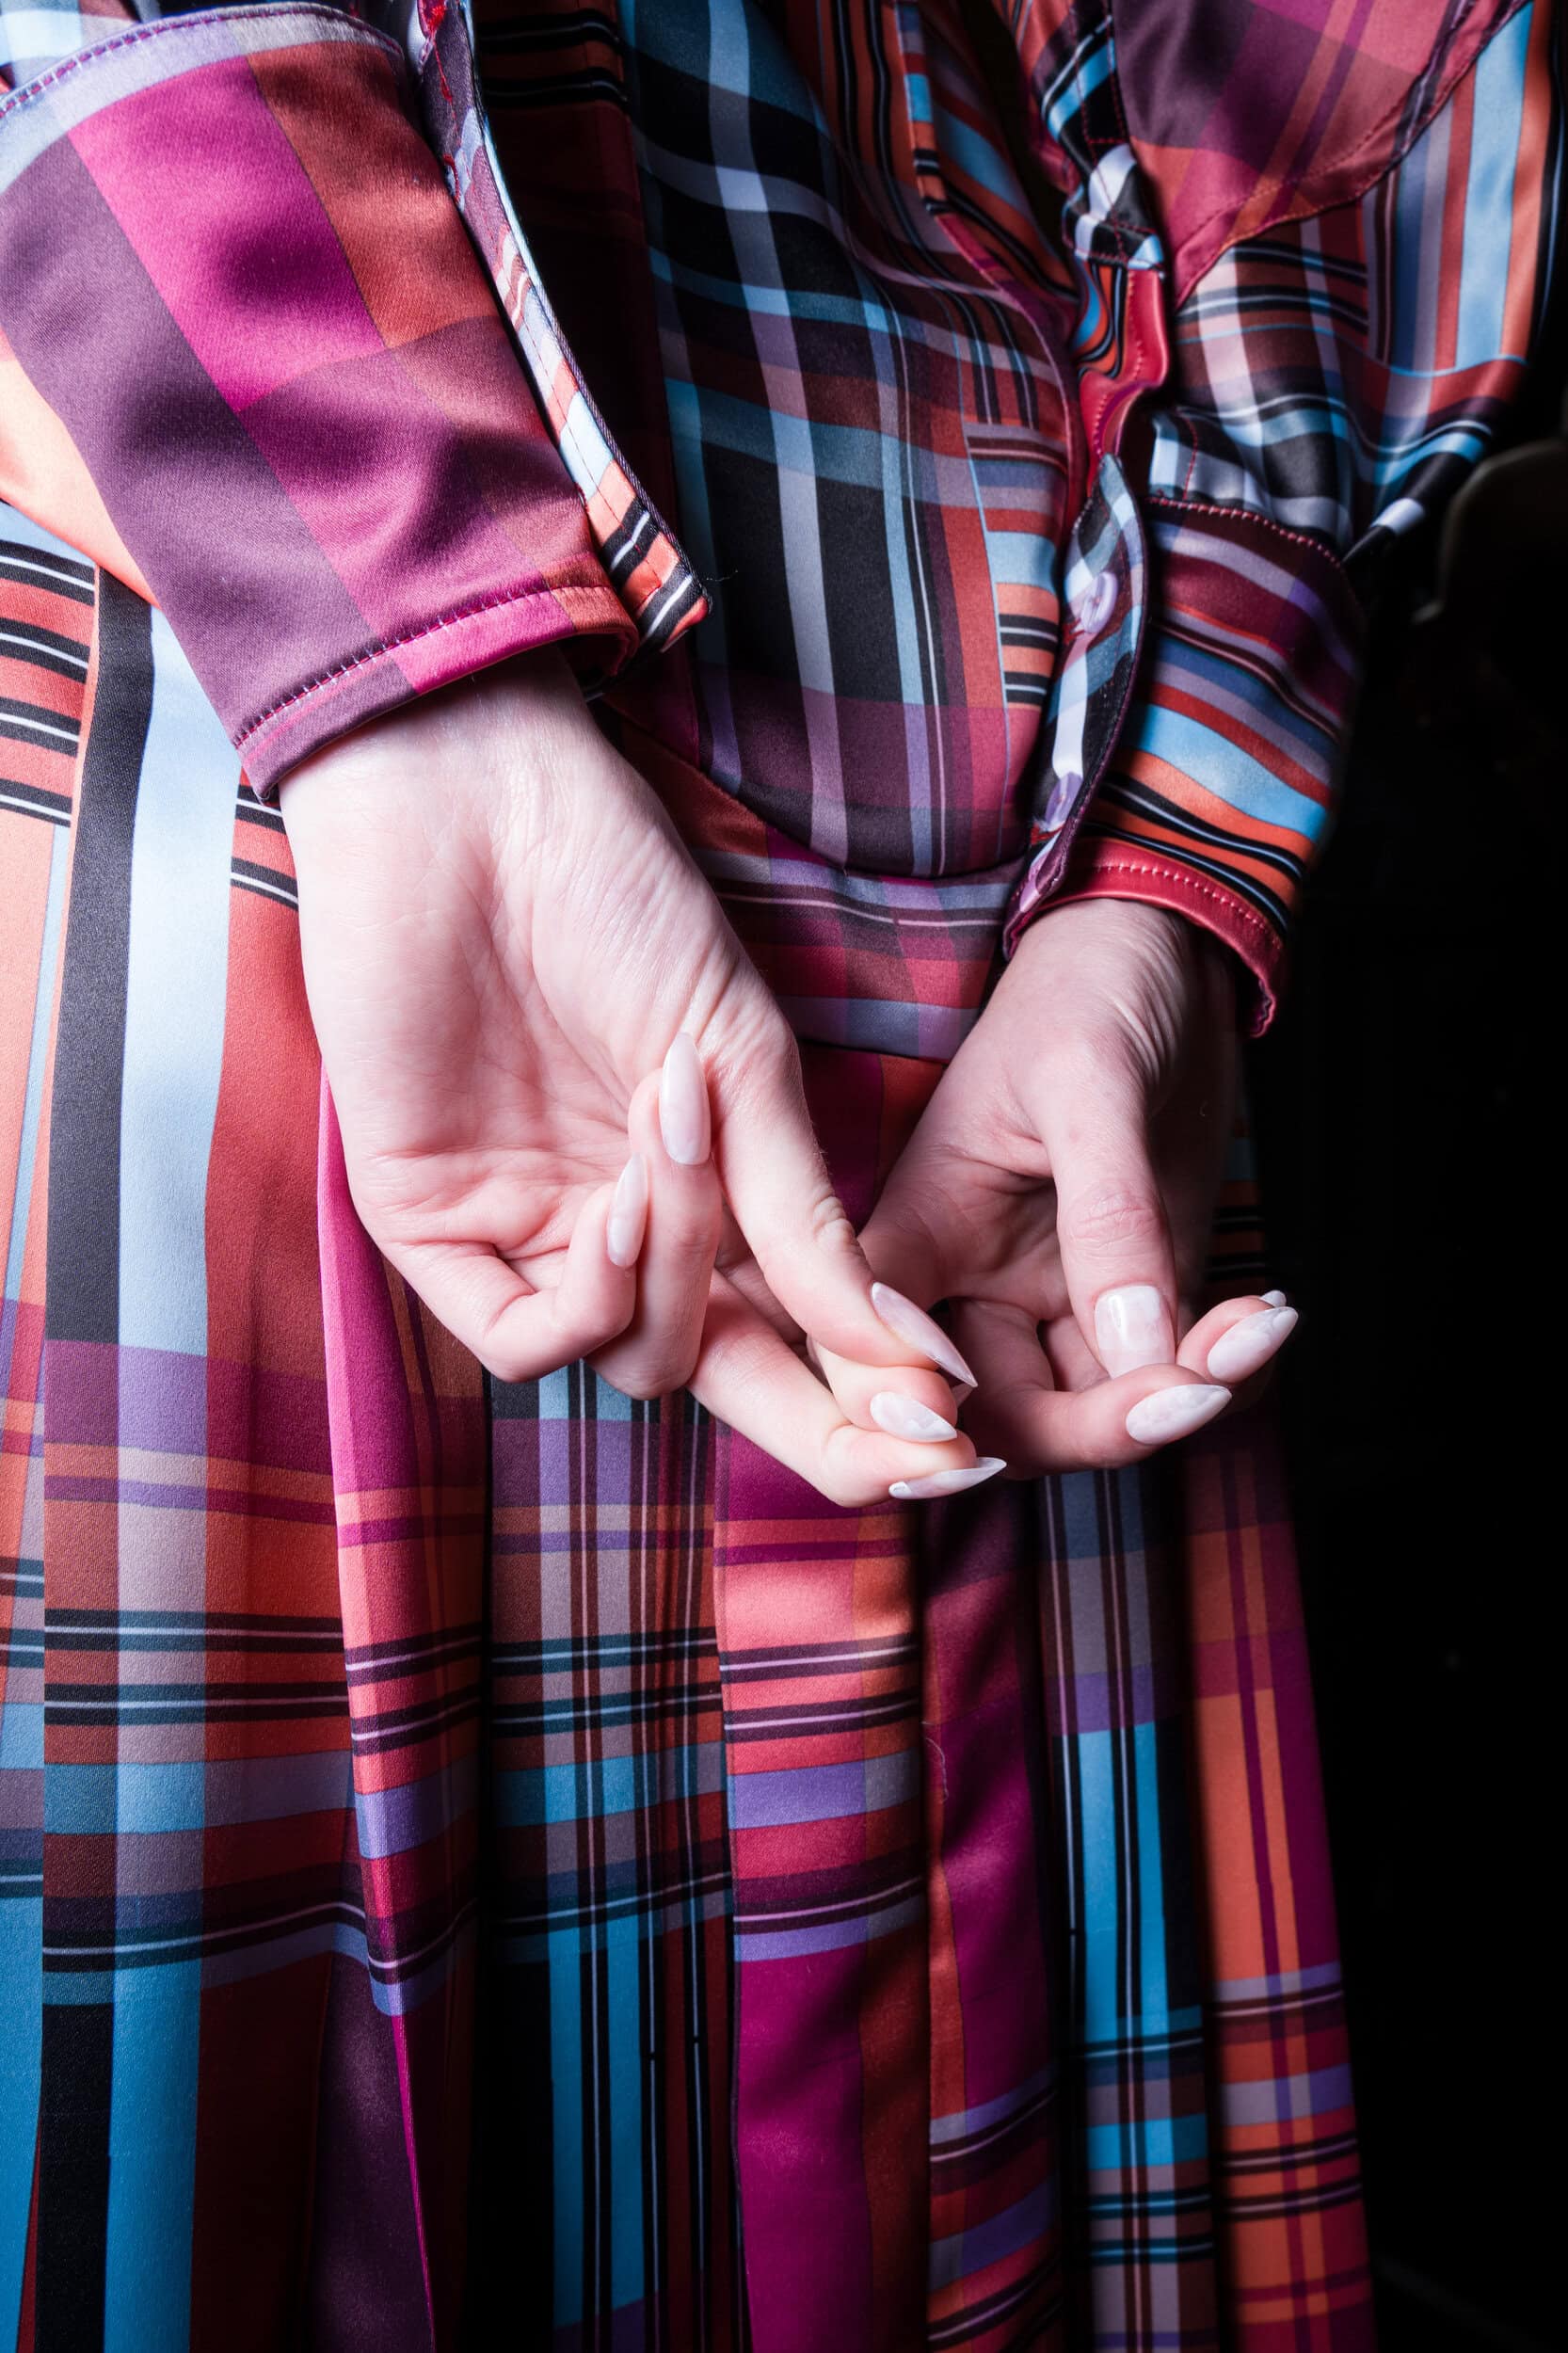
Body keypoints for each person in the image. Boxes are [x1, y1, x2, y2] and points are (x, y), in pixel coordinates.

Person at [0, 0, 1553, 2345]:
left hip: (1017, 851)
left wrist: (1167, 870)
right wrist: (400, 661)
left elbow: (1308, 116)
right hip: (254, 765)